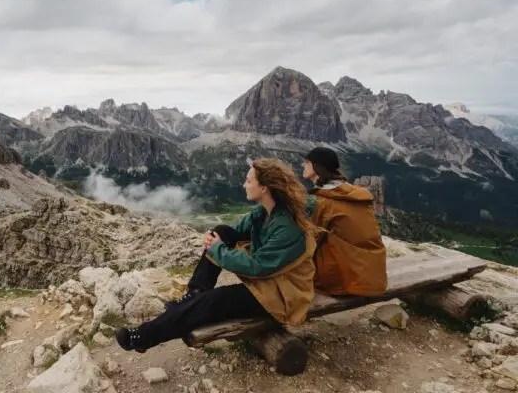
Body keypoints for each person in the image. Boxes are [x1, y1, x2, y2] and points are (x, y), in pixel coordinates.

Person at [115, 158, 317, 353]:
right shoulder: (264, 212)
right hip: (271, 280)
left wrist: (216, 248)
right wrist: (216, 238)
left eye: (248, 181)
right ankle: (194, 293)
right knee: (222, 230)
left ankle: (142, 337)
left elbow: (258, 266)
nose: (244, 184)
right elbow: (234, 232)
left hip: (283, 293)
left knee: (213, 301)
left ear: (264, 188)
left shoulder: (287, 226)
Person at [301, 147, 388, 297]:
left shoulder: (323, 201)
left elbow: (308, 240)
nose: (303, 165)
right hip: (375, 277)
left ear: (317, 166)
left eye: (307, 161)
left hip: (348, 282)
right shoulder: (356, 194)